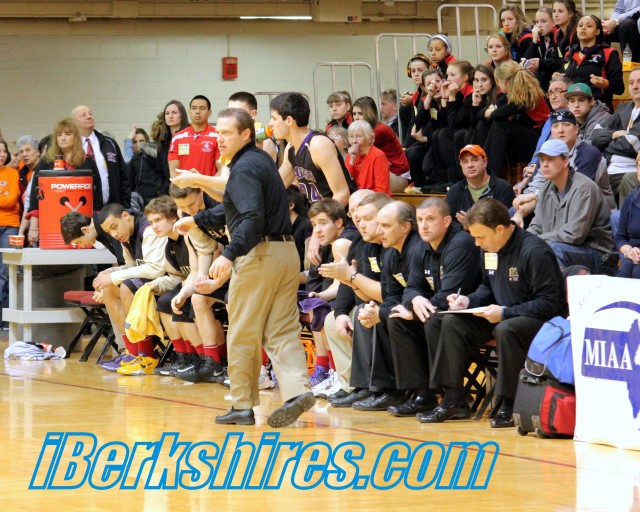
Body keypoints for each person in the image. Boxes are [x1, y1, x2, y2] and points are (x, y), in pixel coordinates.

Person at [211, 108, 314, 427]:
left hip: (259, 255)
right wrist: (198, 219)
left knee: (242, 331)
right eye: (217, 132)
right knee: (281, 329)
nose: (219, 139)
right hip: (286, 253)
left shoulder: (242, 168)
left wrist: (229, 253)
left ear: (246, 134)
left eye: (226, 133)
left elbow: (252, 217)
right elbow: (242, 209)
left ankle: (242, 405)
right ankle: (298, 391)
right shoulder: (262, 161)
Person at [422, 199, 567, 427]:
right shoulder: (488, 250)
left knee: (507, 329)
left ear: (500, 229)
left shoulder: (535, 251)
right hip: (501, 314)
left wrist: (506, 312)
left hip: (540, 322)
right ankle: (453, 398)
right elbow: (486, 288)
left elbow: (550, 303)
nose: (477, 243)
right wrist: (468, 300)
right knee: (447, 320)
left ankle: (510, 404)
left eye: (480, 237)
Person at [385, 197, 481, 417]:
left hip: (470, 315)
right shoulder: (422, 247)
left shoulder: (460, 244)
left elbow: (449, 293)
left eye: (430, 219)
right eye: (420, 220)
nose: (424, 225)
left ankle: (455, 398)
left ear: (446, 221)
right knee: (397, 319)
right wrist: (415, 301)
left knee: (433, 320)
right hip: (441, 315)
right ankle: (422, 395)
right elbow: (411, 288)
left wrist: (415, 311)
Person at [353, 201, 424, 411]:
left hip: (427, 311)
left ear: (405, 227)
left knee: (392, 319)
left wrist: (382, 313)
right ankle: (376, 389)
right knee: (375, 314)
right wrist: (377, 312)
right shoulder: (391, 253)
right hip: (407, 308)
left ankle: (410, 392)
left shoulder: (418, 249)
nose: (378, 230)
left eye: (385, 225)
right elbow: (391, 294)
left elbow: (420, 290)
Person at [92, 203, 168, 374]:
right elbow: (132, 266)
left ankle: (146, 355)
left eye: (114, 227)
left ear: (126, 216)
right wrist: (110, 273)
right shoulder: (126, 236)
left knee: (127, 287)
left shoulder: (148, 229)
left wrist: (114, 277)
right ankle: (132, 352)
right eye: (109, 232)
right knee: (110, 288)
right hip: (150, 283)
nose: (114, 234)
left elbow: (156, 269)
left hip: (167, 281)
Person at [513, 110, 616, 227]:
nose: (560, 130)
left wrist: (535, 196)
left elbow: (576, 194)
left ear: (576, 129)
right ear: (551, 131)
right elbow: (535, 189)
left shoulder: (589, 154)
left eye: (566, 125)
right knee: (512, 216)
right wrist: (520, 213)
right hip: (556, 211)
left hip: (593, 219)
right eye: (555, 126)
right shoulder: (546, 154)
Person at [527, 139, 617, 274]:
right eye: (542, 160)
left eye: (550, 159)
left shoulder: (584, 187)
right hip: (560, 247)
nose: (544, 165)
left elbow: (574, 235)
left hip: (599, 255)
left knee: (549, 249)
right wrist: (521, 240)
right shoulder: (545, 189)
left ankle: (558, 286)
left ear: (565, 161)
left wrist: (537, 241)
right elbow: (537, 226)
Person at [27, 118, 103, 246]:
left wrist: (96, 227)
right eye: (59, 135)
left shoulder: (88, 161)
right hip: (51, 224)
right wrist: (34, 227)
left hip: (82, 227)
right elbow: (36, 197)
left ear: (76, 137)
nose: (63, 138)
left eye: (67, 134)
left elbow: (97, 197)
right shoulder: (45, 162)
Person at [484, 61, 550, 178]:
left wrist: (490, 112)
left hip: (540, 140)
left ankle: (489, 175)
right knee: (485, 125)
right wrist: (489, 113)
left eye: (498, 82)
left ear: (504, 81)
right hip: (529, 137)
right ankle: (483, 168)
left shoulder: (527, 92)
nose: (498, 86)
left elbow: (498, 113)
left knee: (500, 125)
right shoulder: (512, 93)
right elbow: (487, 112)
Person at [592, 67, 640, 202]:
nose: (635, 86)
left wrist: (606, 143)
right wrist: (614, 134)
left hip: (629, 171)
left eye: (639, 82)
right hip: (607, 169)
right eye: (631, 83)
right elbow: (595, 136)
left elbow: (631, 144)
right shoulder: (623, 108)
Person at [557, 15, 624, 111]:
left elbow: (619, 88)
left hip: (598, 109)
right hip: (573, 109)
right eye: (580, 25)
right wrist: (559, 80)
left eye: (589, 26)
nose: (583, 28)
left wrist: (605, 84)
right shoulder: (569, 55)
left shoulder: (608, 52)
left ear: (597, 31)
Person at [71, 105, 130, 208]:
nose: (89, 116)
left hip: (111, 207)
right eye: (83, 115)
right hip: (80, 207)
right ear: (73, 122)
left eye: (90, 113)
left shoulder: (109, 143)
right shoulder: (70, 146)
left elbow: (124, 176)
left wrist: (124, 204)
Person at [352, 96, 410, 192]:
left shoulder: (378, 130)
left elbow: (361, 155)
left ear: (369, 114)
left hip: (397, 175)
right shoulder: (366, 130)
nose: (356, 118)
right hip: (386, 172)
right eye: (354, 114)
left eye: (360, 114)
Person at [446, 144, 515, 225]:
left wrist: (473, 224)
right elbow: (448, 225)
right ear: (461, 165)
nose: (470, 165)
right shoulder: (454, 191)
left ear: (485, 162)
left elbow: (505, 224)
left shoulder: (503, 188)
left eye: (475, 160)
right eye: (465, 162)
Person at [168, 95, 220, 178]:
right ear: (189, 111)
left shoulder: (218, 136)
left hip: (208, 185)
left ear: (209, 113)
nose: (197, 111)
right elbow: (174, 171)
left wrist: (207, 185)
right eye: (194, 108)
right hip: (184, 186)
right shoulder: (177, 138)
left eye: (202, 108)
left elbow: (222, 170)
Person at [0, 139, 20, 327]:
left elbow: (11, 200)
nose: (2, 155)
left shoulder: (12, 173)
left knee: (7, 272)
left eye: (4, 151)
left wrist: (5, 198)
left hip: (10, 226)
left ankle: (6, 319)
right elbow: (5, 199)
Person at [228, 91, 277, 162]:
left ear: (253, 114)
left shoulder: (265, 141)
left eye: (238, 112)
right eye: (229, 112)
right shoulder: (229, 138)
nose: (232, 116)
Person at [345, 120, 391, 195]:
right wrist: (352, 160)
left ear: (369, 138)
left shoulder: (378, 155)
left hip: (376, 197)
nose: (354, 141)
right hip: (355, 197)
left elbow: (382, 189)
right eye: (351, 136)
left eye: (359, 136)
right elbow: (347, 183)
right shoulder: (349, 156)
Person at [614, 154, 640, 278]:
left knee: (637, 272)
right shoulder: (632, 197)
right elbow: (620, 237)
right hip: (635, 253)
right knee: (624, 271)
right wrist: (629, 251)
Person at [156, 100, 189, 193]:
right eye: (167, 113)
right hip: (167, 190)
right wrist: (160, 189)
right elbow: (158, 171)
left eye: (174, 113)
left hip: (187, 187)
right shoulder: (162, 141)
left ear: (182, 115)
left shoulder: (190, 136)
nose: (170, 116)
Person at [127, 128, 162, 205]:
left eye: (141, 141)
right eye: (134, 142)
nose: (138, 145)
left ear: (147, 142)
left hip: (155, 199)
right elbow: (129, 183)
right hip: (139, 200)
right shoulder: (133, 160)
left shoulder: (155, 156)